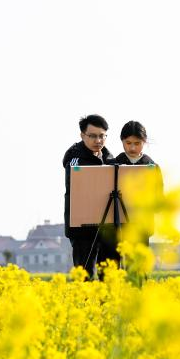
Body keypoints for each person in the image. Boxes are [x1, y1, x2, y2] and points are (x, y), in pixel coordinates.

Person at [63, 114, 117, 275]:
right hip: (82, 229)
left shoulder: (109, 157)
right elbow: (74, 180)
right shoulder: (75, 157)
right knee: (86, 276)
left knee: (109, 276)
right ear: (82, 135)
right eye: (92, 136)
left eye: (102, 136)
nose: (98, 140)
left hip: (107, 226)